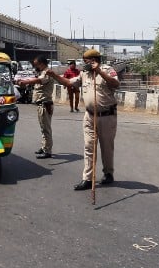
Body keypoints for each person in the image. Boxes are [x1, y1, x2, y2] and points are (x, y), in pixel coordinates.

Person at [50, 48, 120, 190]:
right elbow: (69, 83)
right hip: (89, 116)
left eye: (86, 62)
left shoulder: (108, 70)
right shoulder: (84, 74)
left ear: (94, 60)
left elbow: (115, 84)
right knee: (89, 147)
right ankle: (87, 179)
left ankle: (108, 173)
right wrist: (54, 76)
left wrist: (99, 71)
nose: (84, 64)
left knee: (107, 148)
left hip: (107, 116)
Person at [15, 55, 55, 159]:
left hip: (45, 104)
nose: (35, 66)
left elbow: (38, 81)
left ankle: (48, 151)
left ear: (42, 63)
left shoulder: (47, 72)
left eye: (36, 64)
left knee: (46, 129)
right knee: (43, 128)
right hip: (41, 104)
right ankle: (44, 147)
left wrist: (26, 82)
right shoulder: (41, 72)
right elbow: (35, 79)